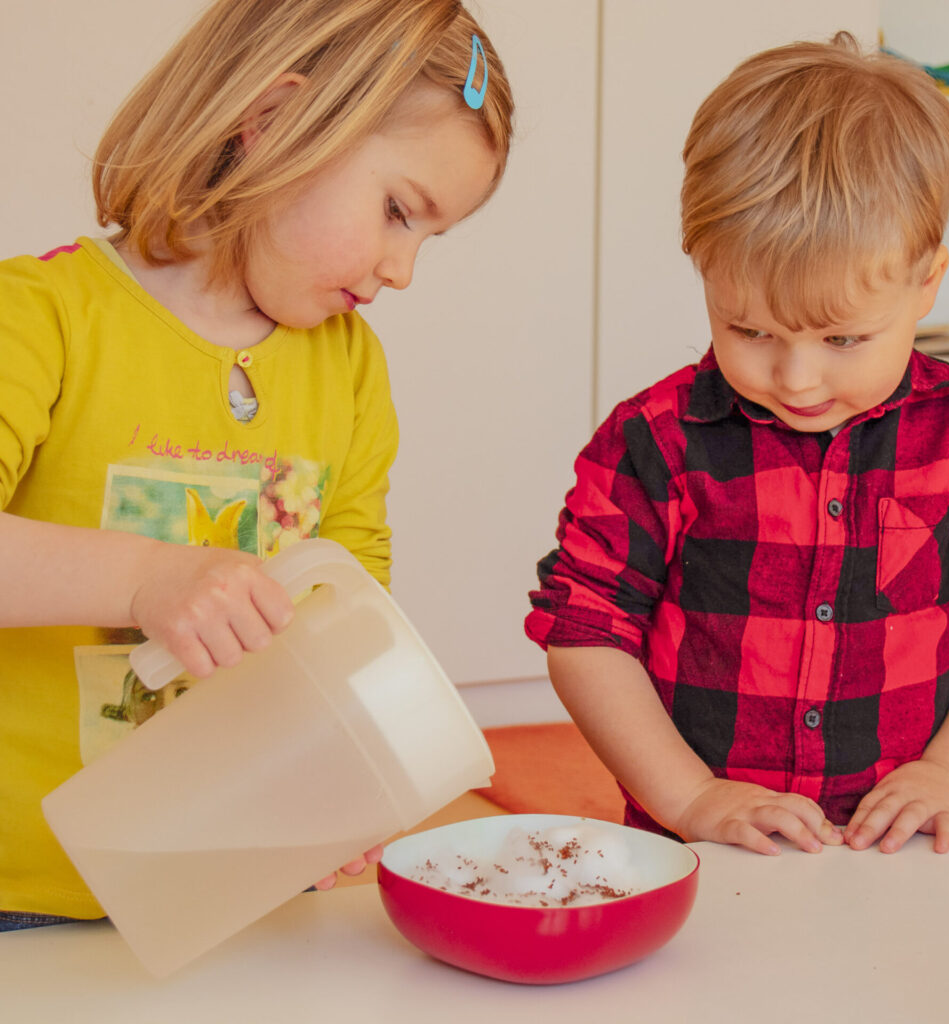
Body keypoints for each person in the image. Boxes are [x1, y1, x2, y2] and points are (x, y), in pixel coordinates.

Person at [0, 0, 513, 929]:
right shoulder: (41, 318)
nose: (402, 269)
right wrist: (147, 578)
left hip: (221, 895)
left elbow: (350, 608)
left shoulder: (348, 367)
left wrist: (337, 774)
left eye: (428, 237)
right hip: (19, 900)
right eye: (397, 211)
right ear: (272, 120)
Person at [526, 32, 949, 858]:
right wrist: (691, 798)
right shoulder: (654, 441)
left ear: (926, 283)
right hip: (706, 850)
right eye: (749, 330)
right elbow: (585, 632)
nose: (795, 379)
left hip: (899, 846)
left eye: (842, 339)